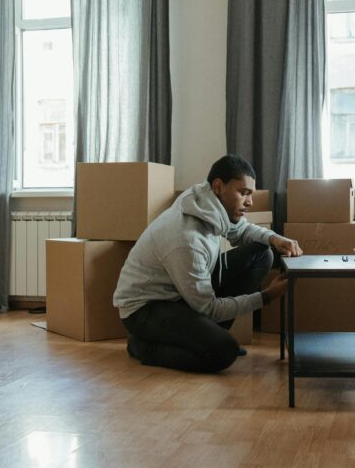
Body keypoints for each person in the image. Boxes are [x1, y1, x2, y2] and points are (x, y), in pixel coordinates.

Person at [113, 155, 303, 373]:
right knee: (223, 352)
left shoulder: (205, 201)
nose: (250, 202)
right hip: (146, 308)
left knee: (262, 253)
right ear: (219, 186)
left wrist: (274, 238)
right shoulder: (187, 239)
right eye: (244, 193)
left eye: (250, 193)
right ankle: (142, 347)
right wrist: (267, 296)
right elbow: (208, 308)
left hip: (179, 292)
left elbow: (241, 230)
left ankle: (210, 336)